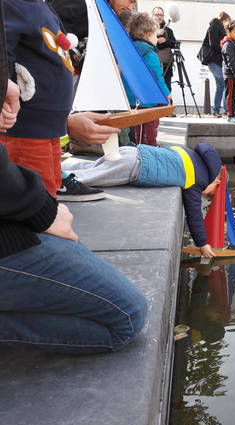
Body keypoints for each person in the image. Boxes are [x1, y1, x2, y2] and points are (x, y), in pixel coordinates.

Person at [0, 30, 148, 353]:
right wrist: (40, 211)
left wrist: (66, 122)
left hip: (17, 202)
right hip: (14, 211)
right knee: (128, 316)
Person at [61, 143, 223, 259]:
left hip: (131, 151)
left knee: (91, 168)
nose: (205, 194)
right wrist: (202, 244)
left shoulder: (187, 152)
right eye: (211, 193)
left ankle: (59, 166)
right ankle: (55, 181)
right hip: (135, 167)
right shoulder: (197, 179)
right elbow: (194, 213)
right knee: (89, 179)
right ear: (214, 182)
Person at [0, 0, 75, 197]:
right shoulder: (11, 4)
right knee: (34, 195)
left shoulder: (41, 6)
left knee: (50, 187)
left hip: (49, 125)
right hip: (26, 125)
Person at [126, 12, 171, 146]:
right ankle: (151, 150)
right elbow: (157, 77)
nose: (156, 39)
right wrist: (167, 94)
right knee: (150, 130)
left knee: (136, 132)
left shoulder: (129, 50)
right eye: (155, 35)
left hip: (131, 101)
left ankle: (137, 149)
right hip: (149, 102)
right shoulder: (150, 54)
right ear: (147, 34)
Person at [203, 11, 230, 118]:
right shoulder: (214, 27)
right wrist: (223, 50)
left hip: (216, 61)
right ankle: (225, 109)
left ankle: (217, 110)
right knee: (224, 84)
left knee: (220, 86)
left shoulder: (217, 28)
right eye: (227, 21)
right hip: (213, 60)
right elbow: (213, 44)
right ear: (224, 20)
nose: (227, 24)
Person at [221, 20, 235, 123]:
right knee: (230, 95)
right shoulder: (228, 44)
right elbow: (231, 62)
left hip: (233, 74)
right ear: (229, 32)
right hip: (230, 75)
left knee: (234, 95)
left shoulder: (233, 43)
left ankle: (233, 114)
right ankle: (230, 115)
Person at [153, 6, 177, 95]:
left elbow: (174, 43)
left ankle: (168, 108)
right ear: (152, 16)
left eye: (161, 15)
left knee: (167, 89)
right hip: (153, 66)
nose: (159, 17)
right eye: (157, 14)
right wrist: (155, 38)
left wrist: (165, 41)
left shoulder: (168, 30)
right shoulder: (148, 30)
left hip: (167, 66)